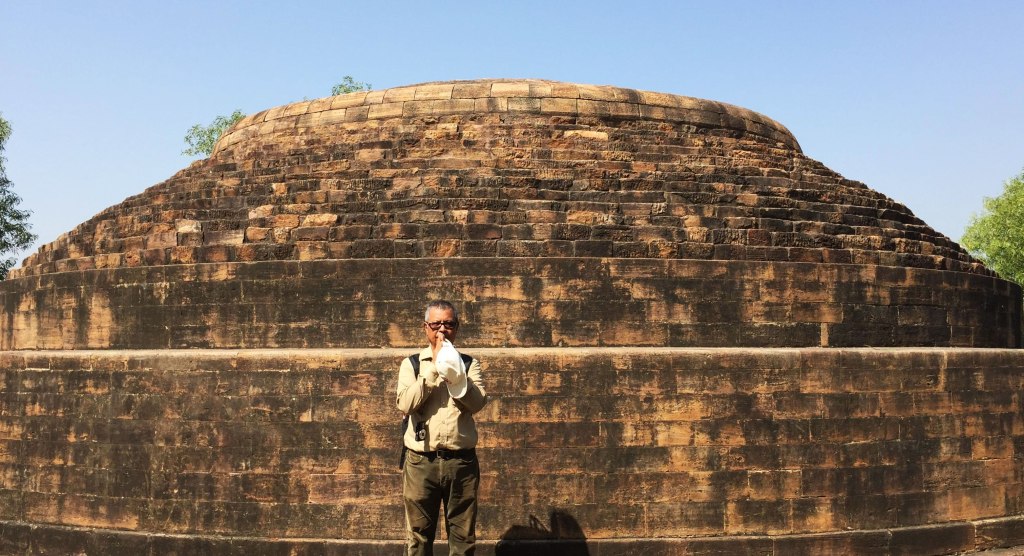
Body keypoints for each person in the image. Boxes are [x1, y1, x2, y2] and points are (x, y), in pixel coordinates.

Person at [397, 300, 488, 556]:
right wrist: (433, 371)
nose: (442, 330)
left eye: (448, 324)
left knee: (462, 537)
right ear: (426, 327)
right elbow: (405, 403)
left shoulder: (470, 364)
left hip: (461, 463)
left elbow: (477, 402)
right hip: (420, 462)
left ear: (456, 328)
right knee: (418, 537)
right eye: (436, 324)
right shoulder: (412, 365)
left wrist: (455, 374)